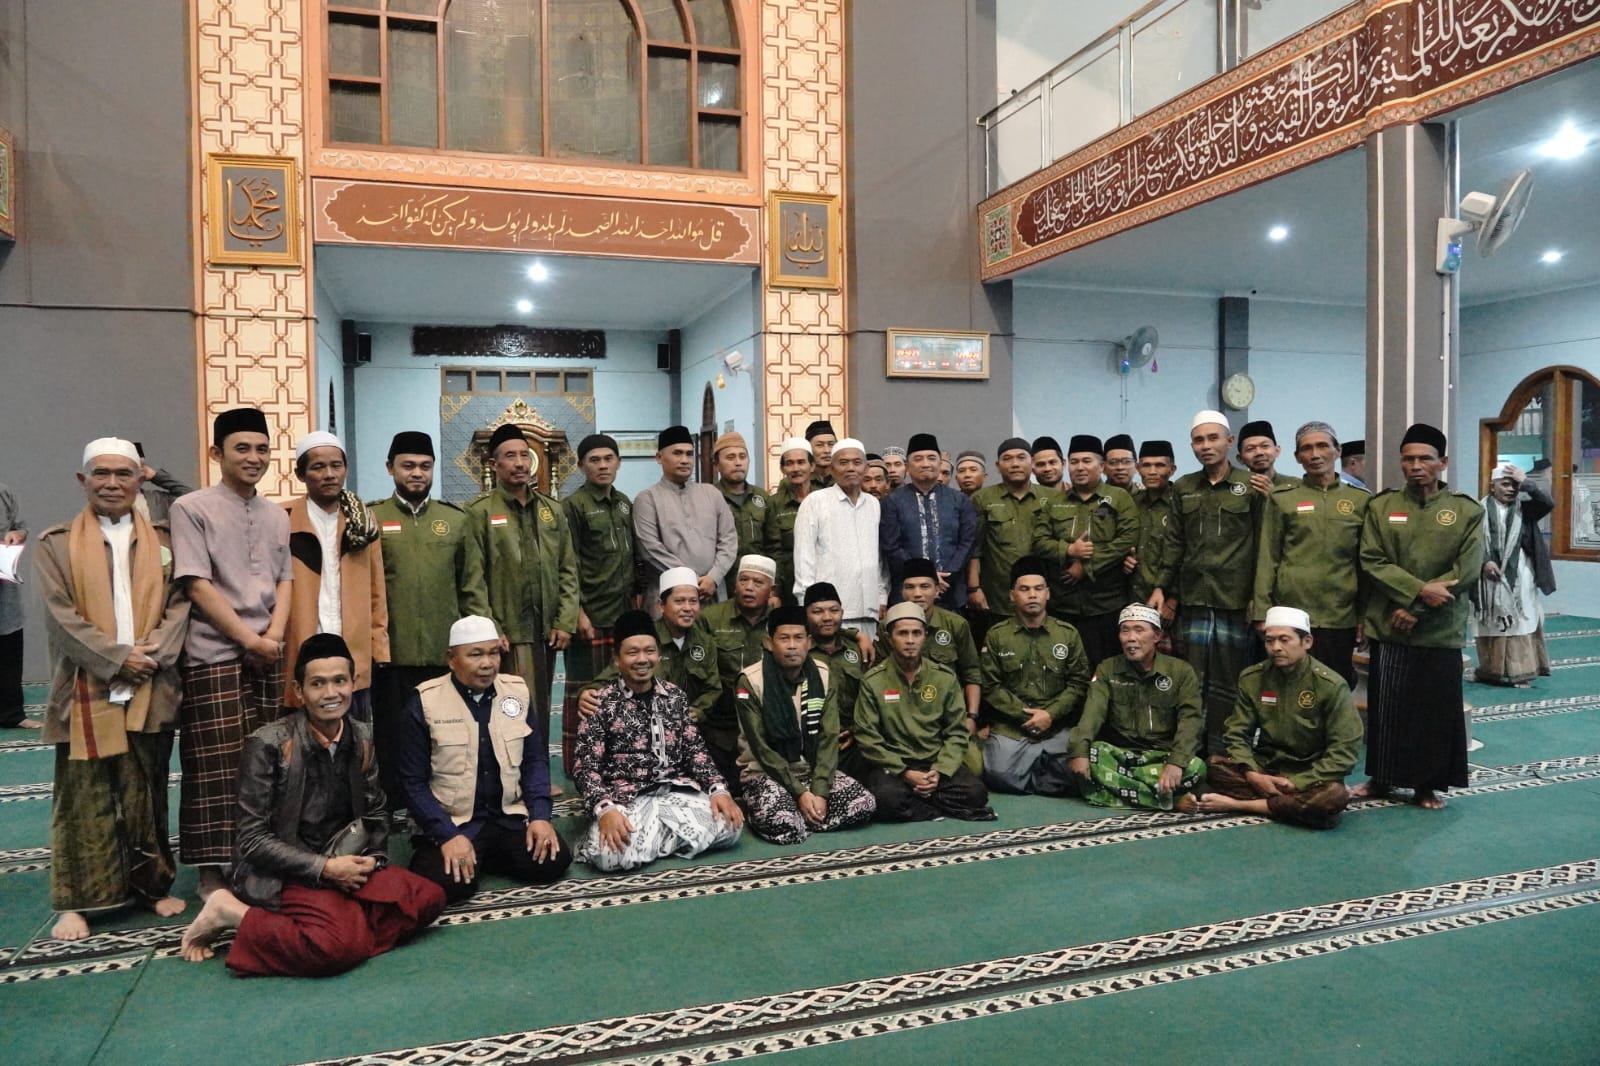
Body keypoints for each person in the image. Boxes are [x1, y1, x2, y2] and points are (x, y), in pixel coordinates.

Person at [179, 633, 446, 975]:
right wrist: (325, 869)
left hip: (344, 861)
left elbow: (377, 810)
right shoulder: (268, 744)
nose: (331, 693)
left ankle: (340, 926)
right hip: (285, 872)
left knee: (428, 898)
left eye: (339, 681)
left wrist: (372, 861)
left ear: (354, 682)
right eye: (318, 684)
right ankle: (231, 912)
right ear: (299, 691)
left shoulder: (361, 735)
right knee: (335, 948)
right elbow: (252, 840)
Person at [35, 438, 190, 940]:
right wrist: (119, 659)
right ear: (83, 481)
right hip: (86, 684)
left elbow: (180, 604)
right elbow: (61, 618)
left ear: (141, 478)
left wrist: (153, 655)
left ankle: (152, 887)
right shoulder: (55, 544)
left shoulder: (166, 540)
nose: (112, 483)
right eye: (100, 474)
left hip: (151, 682)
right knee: (83, 797)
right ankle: (77, 902)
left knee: (147, 792)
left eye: (123, 473)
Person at [169, 406, 292, 897]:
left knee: (268, 764)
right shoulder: (191, 508)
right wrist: (249, 639)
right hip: (214, 655)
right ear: (216, 453)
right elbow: (196, 584)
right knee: (214, 766)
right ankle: (211, 872)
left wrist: (273, 637)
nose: (254, 457)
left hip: (268, 653)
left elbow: (285, 580)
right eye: (242, 448)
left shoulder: (276, 514)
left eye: (262, 449)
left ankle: (259, 858)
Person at [1353, 424, 1483, 810]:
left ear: (1443, 462)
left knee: (1434, 709)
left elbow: (1467, 569)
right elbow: (1372, 560)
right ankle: (1382, 778)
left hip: (1439, 628)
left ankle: (1427, 785)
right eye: (1408, 459)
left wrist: (1417, 607)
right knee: (1388, 707)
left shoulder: (1466, 510)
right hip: (1390, 625)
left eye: (1425, 458)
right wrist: (1416, 591)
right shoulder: (1381, 507)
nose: (1416, 466)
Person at [399, 616, 571, 903]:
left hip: (507, 818)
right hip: (455, 822)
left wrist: (540, 817)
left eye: (494, 653)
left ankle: (483, 856)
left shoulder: (516, 692)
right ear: (451, 659)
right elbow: (412, 782)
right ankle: (469, 853)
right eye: (475, 654)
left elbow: (534, 761)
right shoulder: (425, 702)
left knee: (553, 860)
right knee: (448, 885)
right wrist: (446, 835)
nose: (487, 663)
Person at [571, 611, 743, 871]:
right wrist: (605, 810)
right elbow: (585, 768)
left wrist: (718, 790)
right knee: (607, 855)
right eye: (632, 653)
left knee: (732, 826)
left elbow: (696, 751)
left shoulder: (674, 696)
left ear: (658, 655)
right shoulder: (600, 702)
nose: (643, 659)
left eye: (650, 651)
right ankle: (673, 836)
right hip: (625, 798)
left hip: (674, 793)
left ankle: (650, 840)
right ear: (617, 659)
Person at [460, 423, 579, 791]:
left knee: (539, 706)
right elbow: (473, 579)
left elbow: (567, 568)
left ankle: (536, 779)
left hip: (546, 629)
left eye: (524, 455)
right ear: (494, 465)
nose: (519, 463)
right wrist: (490, 629)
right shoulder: (480, 513)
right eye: (509, 456)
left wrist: (565, 619)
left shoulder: (551, 511)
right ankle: (509, 781)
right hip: (507, 632)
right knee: (510, 706)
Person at [1149, 411, 1264, 753]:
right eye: (1199, 440)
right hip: (1194, 599)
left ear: (1230, 442)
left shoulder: (1251, 487)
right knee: (1191, 680)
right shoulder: (1184, 487)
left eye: (1213, 438)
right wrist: (1161, 587)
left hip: (1235, 601)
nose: (1206, 446)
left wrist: (1259, 599)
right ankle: (1190, 754)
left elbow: (1265, 547)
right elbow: (1174, 543)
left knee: (1232, 682)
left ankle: (1227, 755)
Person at [368, 430, 468, 810]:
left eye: (425, 466)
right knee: (393, 732)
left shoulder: (454, 519)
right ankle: (395, 803)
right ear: (390, 468)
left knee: (444, 732)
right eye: (408, 466)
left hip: (443, 651)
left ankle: (441, 801)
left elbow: (470, 583)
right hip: (392, 650)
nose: (417, 473)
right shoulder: (372, 518)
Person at [1200, 606, 1362, 828]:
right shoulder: (1253, 678)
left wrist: (1297, 783)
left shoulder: (1331, 685)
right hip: (1266, 768)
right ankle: (1292, 806)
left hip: (1310, 773)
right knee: (1213, 765)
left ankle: (1242, 804)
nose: (1276, 647)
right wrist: (1252, 773)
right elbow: (1236, 734)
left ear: (1307, 642)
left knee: (1334, 795)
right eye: (1269, 640)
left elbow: (1344, 751)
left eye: (1285, 640)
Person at [734, 605, 876, 844]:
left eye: (798, 638)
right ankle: (798, 815)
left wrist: (819, 792)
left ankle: (805, 816)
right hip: (766, 774)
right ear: (769, 643)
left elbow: (829, 737)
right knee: (781, 822)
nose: (792, 645)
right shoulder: (750, 681)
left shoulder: (822, 674)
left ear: (809, 642)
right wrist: (800, 793)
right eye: (784, 638)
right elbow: (762, 749)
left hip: (811, 772)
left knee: (864, 804)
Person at [854, 602, 995, 822]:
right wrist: (905, 773)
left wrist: (940, 771)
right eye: (903, 633)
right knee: (885, 799)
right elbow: (867, 737)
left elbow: (957, 732)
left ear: (925, 636)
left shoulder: (944, 678)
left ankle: (921, 802)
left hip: (934, 763)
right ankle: (935, 806)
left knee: (976, 794)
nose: (910, 640)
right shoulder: (873, 681)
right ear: (889, 638)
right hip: (895, 767)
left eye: (916, 633)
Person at [282, 431, 389, 721]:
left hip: (351, 649)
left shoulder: (363, 520)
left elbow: (377, 590)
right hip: (301, 645)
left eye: (336, 466)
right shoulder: (283, 518)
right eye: (318, 467)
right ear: (300, 474)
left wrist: (379, 650)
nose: (329, 474)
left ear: (346, 469)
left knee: (354, 737)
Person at [1253, 421, 1369, 687]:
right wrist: (1262, 611)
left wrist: (1364, 616)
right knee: (1289, 687)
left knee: (1336, 686)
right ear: (1297, 457)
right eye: (1306, 449)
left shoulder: (1361, 500)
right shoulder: (1282, 498)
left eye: (1322, 446)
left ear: (1338, 451)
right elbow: (1268, 557)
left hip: (1340, 615)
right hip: (1291, 612)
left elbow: (1365, 563)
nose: (1315, 455)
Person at [1067, 604, 1205, 811]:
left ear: (1157, 636)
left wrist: (1175, 763)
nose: (1131, 638)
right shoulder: (1107, 669)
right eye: (1125, 630)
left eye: (1139, 630)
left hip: (1162, 756)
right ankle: (1169, 800)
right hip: (1121, 756)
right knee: (1093, 753)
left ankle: (1114, 793)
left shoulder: (1181, 672)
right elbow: (1091, 716)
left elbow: (1191, 721)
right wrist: (1079, 752)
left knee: (1197, 768)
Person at [978, 557, 1090, 795]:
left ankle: (1030, 770)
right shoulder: (997, 635)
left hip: (1056, 727)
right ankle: (1042, 773)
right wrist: (1027, 716)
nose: (1032, 595)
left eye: (1038, 589)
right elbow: (990, 686)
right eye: (1024, 589)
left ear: (1047, 593)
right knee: (998, 775)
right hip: (1012, 728)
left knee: (1080, 769)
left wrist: (1050, 715)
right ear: (1012, 595)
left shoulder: (1067, 634)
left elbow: (1078, 684)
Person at [561, 433, 637, 772]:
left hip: (621, 614)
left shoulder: (624, 503)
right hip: (590, 616)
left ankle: (614, 761)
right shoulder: (573, 506)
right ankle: (580, 764)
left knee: (619, 691)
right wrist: (578, 612)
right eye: (594, 460)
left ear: (618, 462)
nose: (602, 465)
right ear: (581, 466)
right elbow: (568, 562)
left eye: (608, 458)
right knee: (586, 695)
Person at [1032, 433, 1139, 669]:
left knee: (1107, 670)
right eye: (1074, 462)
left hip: (1107, 604)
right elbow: (1039, 541)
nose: (1080, 467)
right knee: (1064, 667)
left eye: (1087, 461)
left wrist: (1086, 566)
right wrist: (1069, 549)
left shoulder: (1119, 498)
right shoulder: (1055, 502)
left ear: (1101, 466)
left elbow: (1126, 540)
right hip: (1063, 604)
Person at [577, 567, 723, 728]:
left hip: (691, 727)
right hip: (643, 727)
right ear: (661, 605)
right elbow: (610, 675)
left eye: (693, 601)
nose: (688, 608)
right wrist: (588, 692)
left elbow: (713, 689)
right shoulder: (644, 639)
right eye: (679, 601)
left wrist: (696, 712)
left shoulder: (705, 642)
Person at [880, 558, 983, 772]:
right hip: (901, 720)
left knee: (975, 769)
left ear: (937, 590)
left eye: (925, 586)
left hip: (948, 719)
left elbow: (972, 672)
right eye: (910, 587)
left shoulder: (956, 625)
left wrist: (971, 717)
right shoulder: (886, 627)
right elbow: (879, 678)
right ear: (902, 591)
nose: (917, 594)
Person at [633, 424, 738, 607]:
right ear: (659, 457)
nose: (685, 460)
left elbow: (729, 540)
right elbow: (650, 549)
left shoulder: (712, 494)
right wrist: (689, 579)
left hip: (711, 593)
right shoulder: (647, 499)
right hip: (667, 597)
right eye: (677, 453)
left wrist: (714, 577)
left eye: (689, 454)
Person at [1471, 462, 1555, 686]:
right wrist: (1485, 561)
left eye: (1514, 485)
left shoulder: (1526, 510)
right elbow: (1470, 541)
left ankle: (1521, 672)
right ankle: (1490, 671)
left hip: (1520, 576)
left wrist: (1526, 483)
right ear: (1493, 485)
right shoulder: (1476, 511)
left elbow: (1548, 502)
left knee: (1520, 621)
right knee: (1490, 623)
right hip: (1487, 579)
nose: (1510, 489)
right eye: (1505, 484)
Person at [699, 554, 780, 788]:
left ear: (771, 590)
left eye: (758, 582)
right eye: (743, 580)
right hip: (721, 728)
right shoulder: (710, 618)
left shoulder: (780, 622)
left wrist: (855, 634)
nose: (748, 587)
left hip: (768, 727)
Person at [793, 437, 885, 636]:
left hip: (869, 611)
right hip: (829, 614)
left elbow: (877, 557)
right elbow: (803, 558)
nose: (850, 468)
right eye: (843, 463)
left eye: (857, 462)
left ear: (866, 468)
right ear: (832, 469)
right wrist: (806, 604)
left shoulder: (874, 505)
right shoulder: (815, 502)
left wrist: (881, 597)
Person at [880, 432, 978, 608]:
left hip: (951, 589)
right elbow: (891, 546)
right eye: (918, 459)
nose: (925, 464)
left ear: (940, 463)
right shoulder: (892, 502)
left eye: (931, 458)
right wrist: (925, 577)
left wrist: (946, 575)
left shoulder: (959, 500)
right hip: (907, 592)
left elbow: (967, 542)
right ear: (907, 466)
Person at [967, 437, 1044, 640]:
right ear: (997, 465)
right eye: (1007, 459)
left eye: (1021, 457)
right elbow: (974, 548)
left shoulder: (1051, 498)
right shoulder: (982, 498)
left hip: (1042, 597)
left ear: (1032, 462)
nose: (1015, 464)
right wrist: (974, 588)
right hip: (996, 596)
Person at [802, 581, 872, 776]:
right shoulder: (798, 650)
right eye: (817, 611)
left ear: (842, 612)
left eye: (834, 610)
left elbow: (873, 697)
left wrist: (857, 730)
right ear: (806, 615)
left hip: (856, 743)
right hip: (811, 746)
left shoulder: (859, 649)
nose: (827, 617)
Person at [713, 431, 774, 595]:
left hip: (757, 584)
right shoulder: (708, 497)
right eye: (730, 457)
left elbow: (774, 547)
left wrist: (775, 588)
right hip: (721, 585)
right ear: (716, 465)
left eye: (742, 457)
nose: (738, 463)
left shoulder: (761, 497)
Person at [1128, 439, 1177, 609]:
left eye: (1160, 465)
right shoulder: (1131, 503)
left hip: (1169, 597)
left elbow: (1189, 554)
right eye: (1146, 465)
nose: (1152, 472)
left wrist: (1173, 600)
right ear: (1138, 468)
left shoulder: (1181, 503)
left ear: (1172, 470)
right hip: (1133, 594)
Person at [0, 476, 31, 729]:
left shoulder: (3, 492)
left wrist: (17, 534)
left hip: (3, 585)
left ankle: (12, 714)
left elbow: (20, 526)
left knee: (8, 648)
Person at [769, 437, 815, 598]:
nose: (796, 468)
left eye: (801, 462)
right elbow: (773, 550)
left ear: (812, 466)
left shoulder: (825, 499)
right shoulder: (774, 504)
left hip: (823, 578)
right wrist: (775, 589)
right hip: (788, 584)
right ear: (782, 468)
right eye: (789, 463)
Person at [1237, 420, 1297, 496]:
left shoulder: (1296, 485)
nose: (1259, 453)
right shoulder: (1235, 489)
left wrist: (1274, 496)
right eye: (1250, 449)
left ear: (1277, 451)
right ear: (1240, 459)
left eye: (1265, 446)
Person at [806, 419, 837, 488]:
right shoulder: (800, 480)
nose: (827, 450)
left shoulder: (844, 479)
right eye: (819, 445)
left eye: (831, 444)